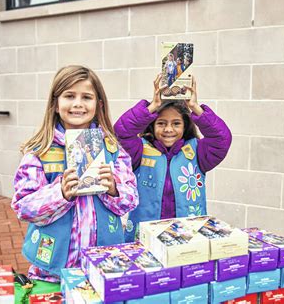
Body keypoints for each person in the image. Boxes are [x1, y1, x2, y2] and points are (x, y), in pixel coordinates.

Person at [12, 65, 139, 282]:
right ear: (55, 104)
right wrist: (59, 193)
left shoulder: (112, 151)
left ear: (98, 105)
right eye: (69, 96)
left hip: (103, 267)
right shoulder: (40, 153)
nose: (78, 103)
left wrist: (114, 189)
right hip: (53, 271)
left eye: (86, 97)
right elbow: (23, 207)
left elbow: (131, 200)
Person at [114, 75, 232, 242]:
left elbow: (222, 139)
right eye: (161, 123)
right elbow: (121, 132)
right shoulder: (139, 150)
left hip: (187, 236)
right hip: (144, 237)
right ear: (152, 125)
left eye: (176, 123)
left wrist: (194, 107)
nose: (168, 129)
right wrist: (152, 106)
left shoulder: (198, 151)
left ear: (185, 126)